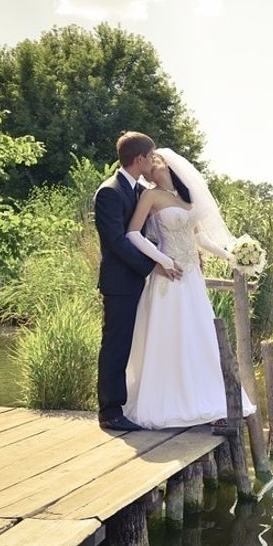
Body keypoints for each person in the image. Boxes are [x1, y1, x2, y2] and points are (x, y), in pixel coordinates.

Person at [121, 148, 257, 428]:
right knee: (169, 335)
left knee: (198, 335)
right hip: (169, 276)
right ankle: (169, 401)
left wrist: (229, 256)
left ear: (168, 167)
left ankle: (202, 398)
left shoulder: (185, 199)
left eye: (155, 162)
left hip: (192, 277)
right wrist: (162, 260)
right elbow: (133, 234)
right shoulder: (149, 195)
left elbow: (200, 238)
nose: (150, 167)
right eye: (148, 162)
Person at [93, 132, 183, 431]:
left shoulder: (136, 189)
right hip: (119, 283)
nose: (154, 160)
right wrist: (153, 265)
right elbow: (117, 241)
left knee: (127, 345)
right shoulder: (109, 191)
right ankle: (109, 412)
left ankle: (124, 404)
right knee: (115, 345)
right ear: (140, 159)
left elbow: (143, 234)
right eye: (151, 155)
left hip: (134, 281)